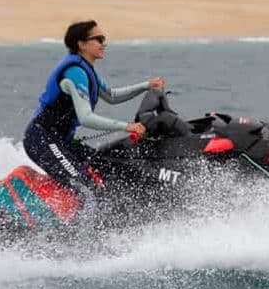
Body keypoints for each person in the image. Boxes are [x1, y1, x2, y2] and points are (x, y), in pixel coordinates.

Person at [23, 20, 164, 218]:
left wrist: (146, 86)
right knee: (85, 189)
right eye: (98, 39)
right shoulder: (74, 73)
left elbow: (112, 96)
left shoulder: (87, 71)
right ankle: (82, 236)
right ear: (81, 44)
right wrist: (127, 126)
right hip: (42, 140)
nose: (103, 43)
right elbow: (86, 118)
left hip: (60, 141)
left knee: (107, 166)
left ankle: (122, 217)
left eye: (103, 39)